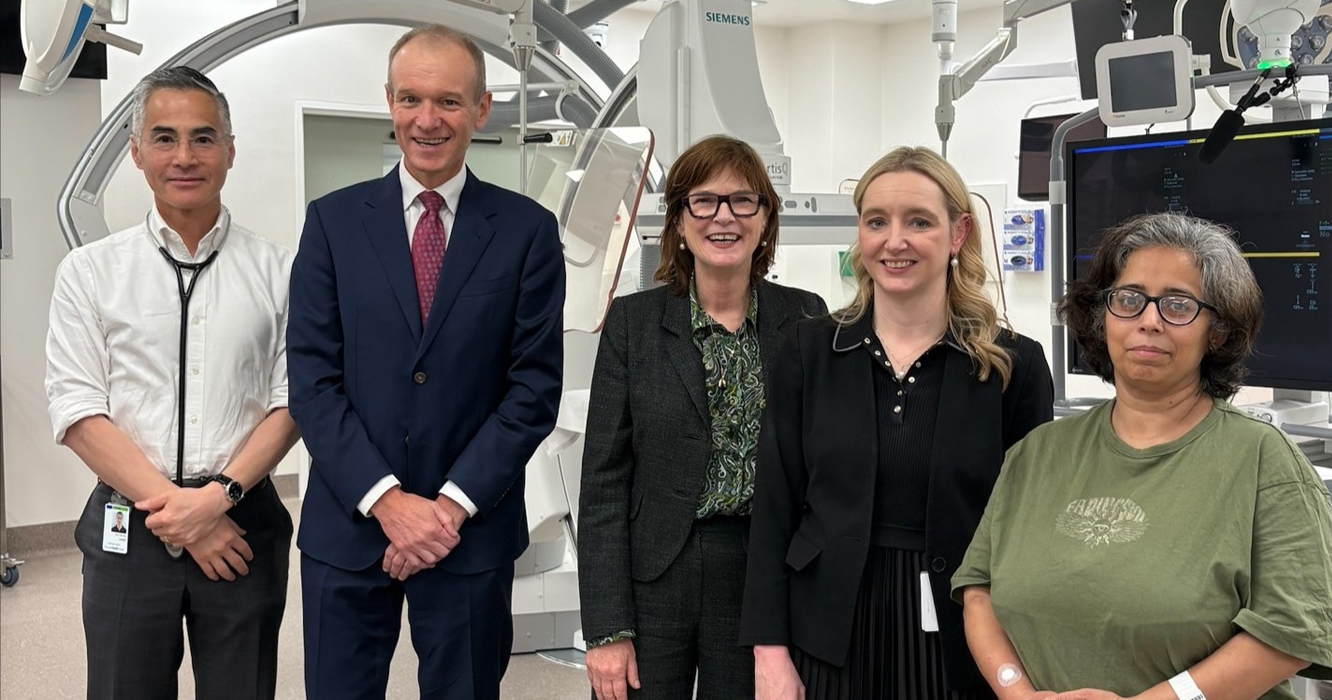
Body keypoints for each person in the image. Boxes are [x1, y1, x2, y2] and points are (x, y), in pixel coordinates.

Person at [952, 213, 1332, 699]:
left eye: (1178, 305)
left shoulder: (1267, 463)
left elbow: (1290, 635)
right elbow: (979, 592)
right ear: (1102, 317)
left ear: (1218, 331)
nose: (1149, 320)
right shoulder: (1036, 454)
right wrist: (1018, 693)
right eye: (1129, 299)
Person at [287, 24, 565, 700]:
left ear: (481, 108)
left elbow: (532, 389)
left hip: (467, 531)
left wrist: (446, 508)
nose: (427, 119)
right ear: (389, 101)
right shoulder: (332, 223)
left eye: (447, 101)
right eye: (411, 99)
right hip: (349, 527)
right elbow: (313, 383)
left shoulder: (527, 232)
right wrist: (388, 502)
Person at [740, 146, 1054, 700]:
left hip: (962, 633)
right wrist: (769, 650)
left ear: (958, 234)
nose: (895, 241)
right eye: (876, 222)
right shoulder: (809, 351)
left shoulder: (1012, 365)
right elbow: (774, 509)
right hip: (828, 630)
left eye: (919, 222)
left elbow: (1032, 529)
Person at [45, 65, 298, 700]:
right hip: (130, 525)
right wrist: (181, 513)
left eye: (203, 138)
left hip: (241, 526)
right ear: (135, 151)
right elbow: (77, 409)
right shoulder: (90, 272)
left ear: (230, 151)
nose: (184, 156)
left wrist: (216, 502)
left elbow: (293, 400)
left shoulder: (279, 270)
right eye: (164, 138)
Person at [577, 135, 828, 700]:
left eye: (743, 201)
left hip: (762, 572)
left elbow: (823, 467)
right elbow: (603, 483)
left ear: (765, 218)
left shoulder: (806, 318)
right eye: (704, 201)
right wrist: (607, 629)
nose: (724, 217)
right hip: (654, 574)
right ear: (679, 221)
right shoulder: (633, 323)